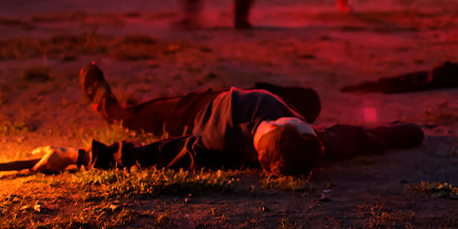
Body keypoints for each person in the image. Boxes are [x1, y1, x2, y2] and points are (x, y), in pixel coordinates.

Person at [32, 64, 424, 177]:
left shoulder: (213, 146)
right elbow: (357, 136)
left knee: (131, 117)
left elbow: (150, 155)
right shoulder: (309, 143)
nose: (311, 129)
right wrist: (401, 132)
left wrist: (76, 156)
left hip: (196, 112)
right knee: (312, 102)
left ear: (271, 129)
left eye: (296, 123)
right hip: (245, 93)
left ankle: (103, 103)